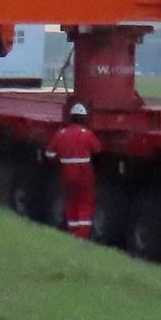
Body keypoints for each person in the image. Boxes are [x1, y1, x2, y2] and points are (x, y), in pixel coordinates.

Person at [45, 102, 103, 240]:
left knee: (71, 202)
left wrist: (61, 159)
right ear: (84, 118)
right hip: (84, 174)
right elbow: (98, 150)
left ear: (71, 117)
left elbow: (49, 154)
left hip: (67, 174)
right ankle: (83, 235)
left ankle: (73, 233)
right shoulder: (87, 134)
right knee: (85, 203)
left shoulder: (61, 134)